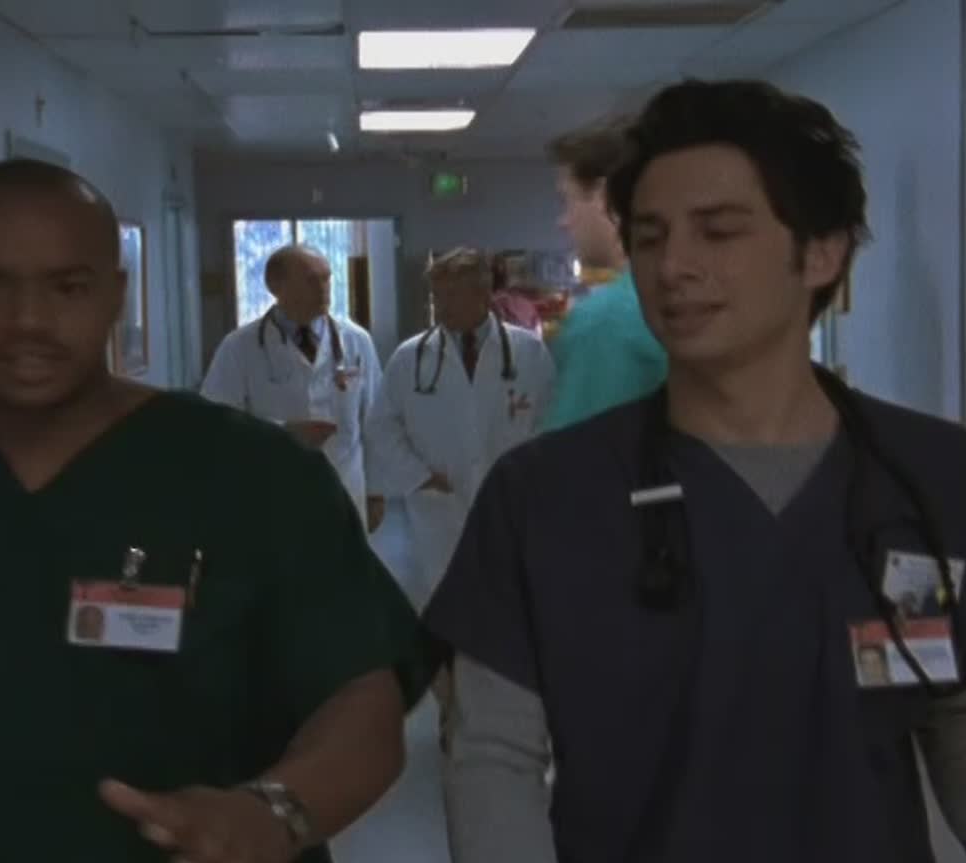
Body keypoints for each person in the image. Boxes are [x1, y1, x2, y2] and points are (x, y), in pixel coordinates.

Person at [424, 80, 966, 863]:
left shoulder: (931, 479)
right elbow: (493, 756)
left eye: (719, 231)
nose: (674, 266)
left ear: (823, 251)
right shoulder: (545, 498)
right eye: (651, 237)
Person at [0, 159, 432, 863]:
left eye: (68, 287)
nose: (28, 321)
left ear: (116, 294)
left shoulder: (256, 477)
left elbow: (363, 699)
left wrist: (276, 812)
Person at [364, 247, 555, 611]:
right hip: (438, 511)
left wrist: (527, 481)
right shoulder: (409, 358)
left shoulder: (529, 353)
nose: (440, 307)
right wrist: (419, 477)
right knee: (444, 607)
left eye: (451, 295)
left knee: (508, 605)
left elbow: (548, 426)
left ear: (483, 294)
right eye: (436, 296)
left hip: (511, 506)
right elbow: (382, 428)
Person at [201, 245, 384, 531]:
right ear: (276, 287)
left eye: (327, 278)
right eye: (311, 280)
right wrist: (282, 432)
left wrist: (377, 492)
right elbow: (215, 424)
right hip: (273, 494)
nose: (324, 288)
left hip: (345, 491)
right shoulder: (239, 347)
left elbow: (376, 422)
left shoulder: (357, 341)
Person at [539, 118, 669, 432]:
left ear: (606, 198)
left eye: (567, 200)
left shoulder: (607, 320)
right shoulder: (678, 296)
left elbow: (576, 453)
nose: (564, 221)